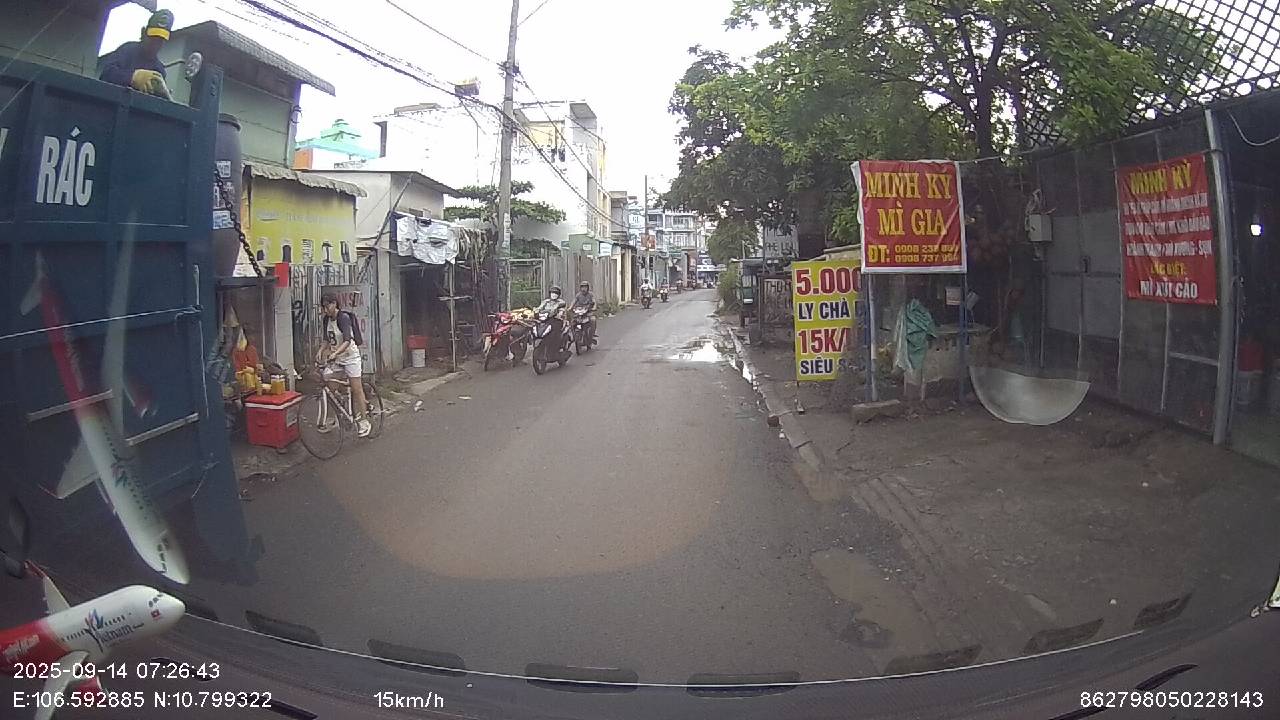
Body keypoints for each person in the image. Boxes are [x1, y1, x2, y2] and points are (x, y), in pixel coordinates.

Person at [318, 294, 371, 437]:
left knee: (356, 388)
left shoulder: (343, 318)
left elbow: (347, 340)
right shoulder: (326, 320)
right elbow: (326, 339)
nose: (326, 310)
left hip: (350, 357)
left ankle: (364, 421)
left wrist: (335, 353)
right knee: (330, 386)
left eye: (327, 306)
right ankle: (335, 415)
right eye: (323, 307)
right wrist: (321, 350)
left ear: (334, 304)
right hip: (337, 358)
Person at [99, 10, 175, 99]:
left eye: (160, 40)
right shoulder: (127, 51)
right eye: (153, 38)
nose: (155, 44)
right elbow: (106, 74)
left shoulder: (159, 70)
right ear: (143, 33)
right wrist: (132, 77)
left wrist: (164, 94)